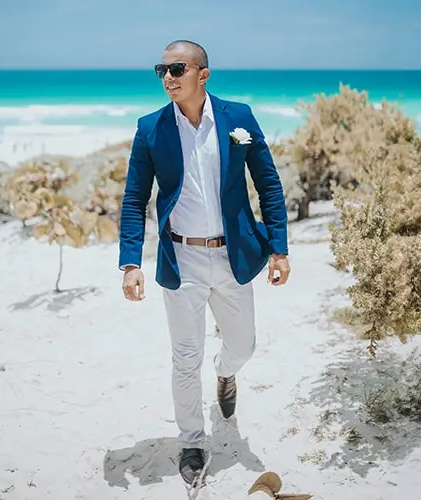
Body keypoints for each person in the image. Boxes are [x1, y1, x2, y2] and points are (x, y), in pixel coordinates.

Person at [116, 39, 291, 485]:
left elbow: (268, 184)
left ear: (202, 74)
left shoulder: (239, 118)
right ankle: (192, 440)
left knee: (244, 346)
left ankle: (226, 375)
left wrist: (279, 248)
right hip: (181, 258)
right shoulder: (150, 129)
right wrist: (130, 262)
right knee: (184, 357)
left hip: (233, 257)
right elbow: (135, 198)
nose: (168, 78)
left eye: (177, 68)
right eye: (162, 70)